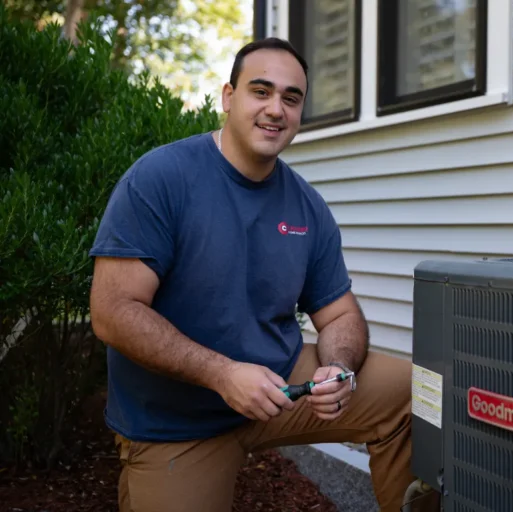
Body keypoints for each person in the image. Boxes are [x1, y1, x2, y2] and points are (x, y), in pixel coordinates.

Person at [88, 38, 438, 512]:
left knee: (419, 394)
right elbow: (112, 312)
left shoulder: (306, 206)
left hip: (281, 386)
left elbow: (340, 316)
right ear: (228, 97)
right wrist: (222, 373)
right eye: (261, 91)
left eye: (291, 98)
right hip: (176, 421)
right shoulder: (161, 178)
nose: (276, 109)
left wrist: (339, 368)